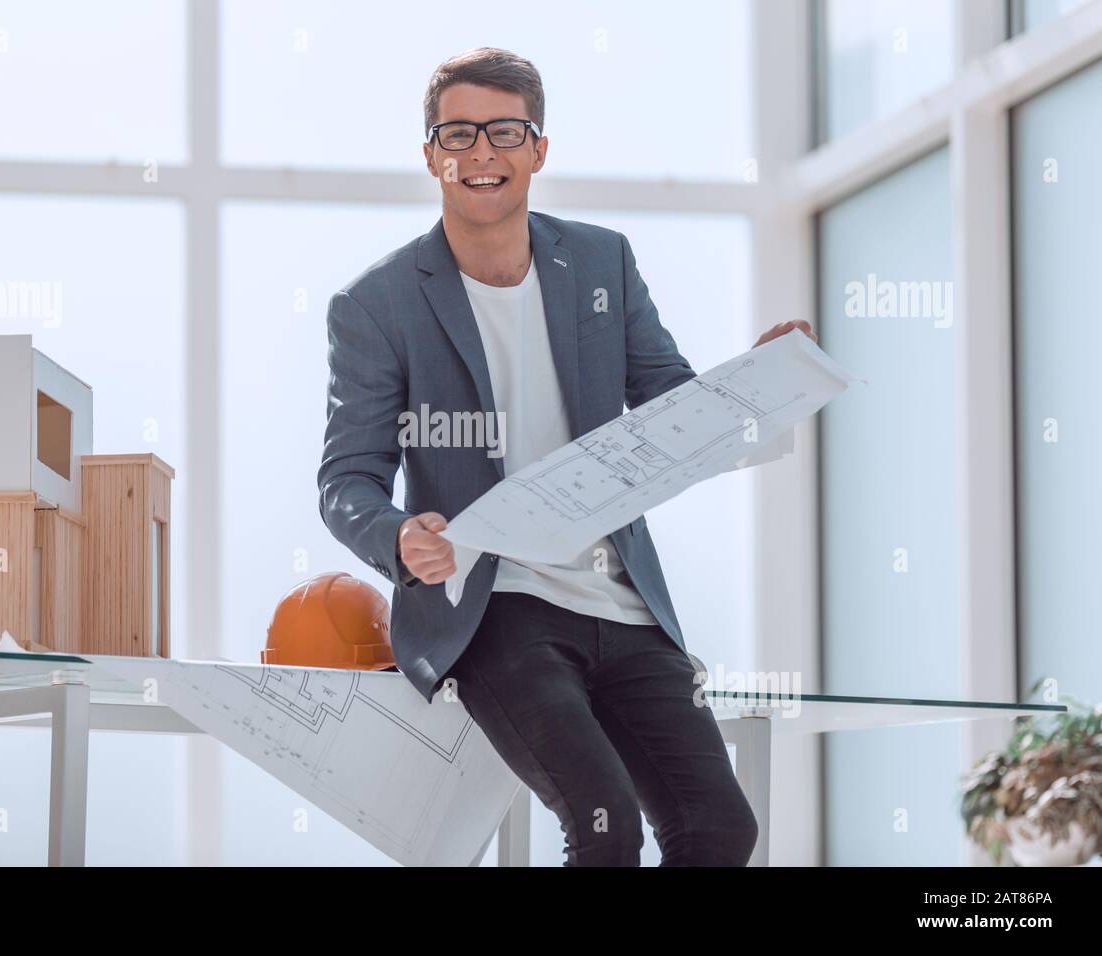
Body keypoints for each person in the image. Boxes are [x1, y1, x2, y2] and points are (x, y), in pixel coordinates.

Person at [317, 46, 814, 866]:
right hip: (495, 606)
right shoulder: (377, 305)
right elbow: (346, 479)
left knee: (721, 827)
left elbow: (671, 409)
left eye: (505, 132)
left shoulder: (600, 263)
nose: (482, 153)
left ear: (539, 149)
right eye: (459, 134)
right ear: (431, 153)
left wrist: (759, 385)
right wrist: (398, 536)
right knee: (605, 821)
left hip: (620, 600)